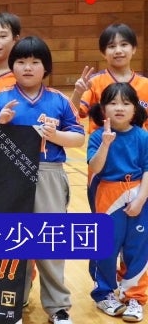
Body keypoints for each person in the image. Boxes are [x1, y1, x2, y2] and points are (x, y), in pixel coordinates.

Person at [0, 36, 85, 324]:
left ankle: (58, 307)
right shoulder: (0, 99)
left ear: (45, 67)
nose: (28, 67)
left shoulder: (59, 100)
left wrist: (56, 136)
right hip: (8, 174)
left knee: (49, 241)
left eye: (35, 62)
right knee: (12, 241)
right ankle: (13, 299)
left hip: (48, 173)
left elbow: (78, 137)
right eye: (21, 61)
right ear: (12, 66)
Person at [87, 82, 148, 322]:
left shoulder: (143, 136)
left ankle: (134, 296)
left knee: (138, 247)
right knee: (105, 245)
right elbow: (95, 167)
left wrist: (141, 199)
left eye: (126, 103)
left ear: (135, 108)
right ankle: (104, 294)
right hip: (107, 194)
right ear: (103, 109)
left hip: (139, 192)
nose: (119, 108)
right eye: (112, 103)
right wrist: (106, 143)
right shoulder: (97, 136)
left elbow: (147, 169)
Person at [71, 23, 148, 132]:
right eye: (112, 46)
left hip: (138, 143)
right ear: (103, 53)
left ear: (134, 49)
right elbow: (74, 114)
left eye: (124, 44)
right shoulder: (93, 82)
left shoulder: (145, 84)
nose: (118, 50)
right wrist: (78, 93)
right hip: (102, 141)